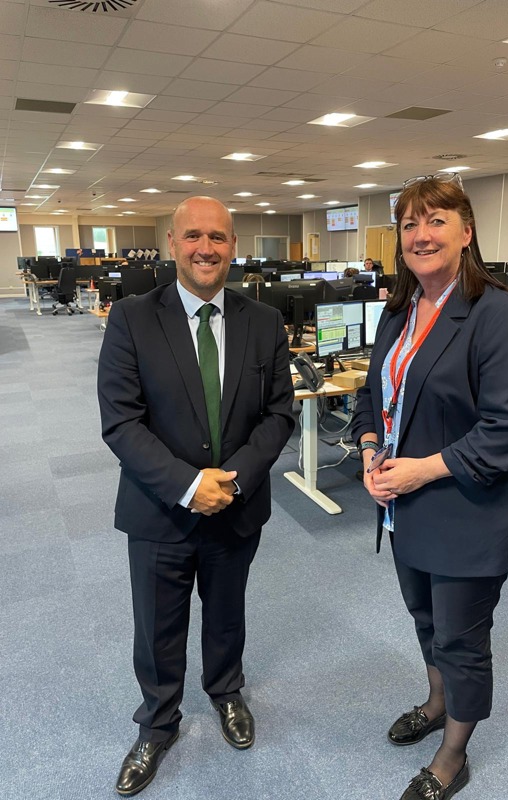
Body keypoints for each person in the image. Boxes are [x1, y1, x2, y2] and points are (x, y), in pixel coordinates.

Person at [97, 196, 295, 796]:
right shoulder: (131, 317)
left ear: (233, 246)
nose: (205, 248)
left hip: (236, 504)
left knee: (227, 611)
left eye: (217, 237)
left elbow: (280, 415)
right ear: (171, 243)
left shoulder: (262, 321)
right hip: (160, 507)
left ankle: (226, 692)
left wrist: (229, 479)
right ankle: (157, 722)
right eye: (192, 237)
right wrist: (188, 485)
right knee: (157, 625)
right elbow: (121, 422)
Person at [351, 174, 508, 800]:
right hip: (407, 509)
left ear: (466, 230)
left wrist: (421, 467)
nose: (421, 234)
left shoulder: (497, 313)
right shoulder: (399, 309)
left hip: (466, 509)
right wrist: (372, 448)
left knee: (461, 637)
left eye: (436, 220)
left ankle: (454, 755)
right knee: (425, 618)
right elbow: (374, 395)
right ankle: (435, 703)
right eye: (409, 223)